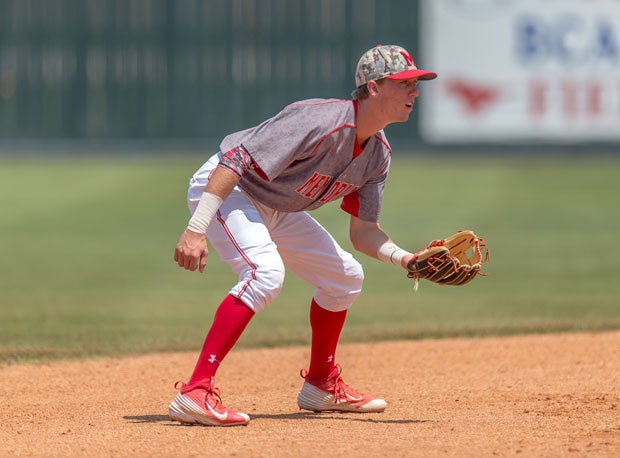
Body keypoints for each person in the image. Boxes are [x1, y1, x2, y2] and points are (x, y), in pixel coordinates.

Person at [169, 44, 437, 426]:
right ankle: (194, 391)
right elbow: (235, 160)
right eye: (405, 83)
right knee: (265, 274)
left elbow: (363, 233)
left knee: (344, 277)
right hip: (234, 190)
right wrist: (196, 229)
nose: (415, 92)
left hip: (278, 206)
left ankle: (321, 385)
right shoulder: (318, 120)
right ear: (374, 88)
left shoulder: (377, 153)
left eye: (416, 84)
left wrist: (407, 259)